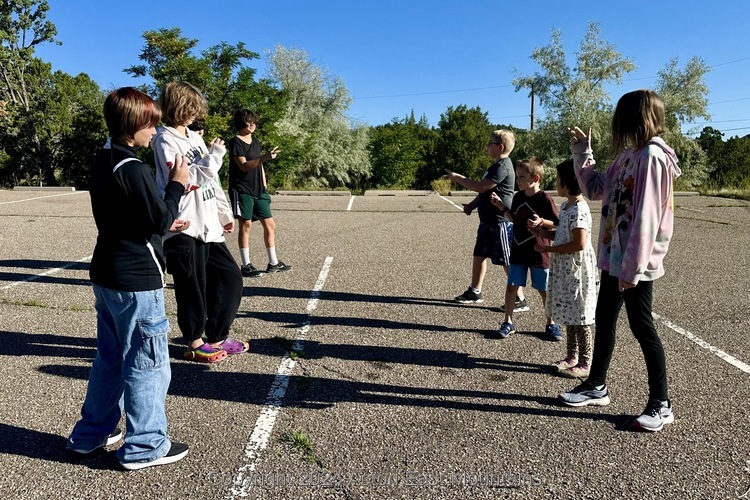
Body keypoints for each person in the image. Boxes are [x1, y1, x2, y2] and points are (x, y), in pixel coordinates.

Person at [67, 87, 190, 469]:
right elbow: (159, 217)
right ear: (132, 124)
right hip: (136, 279)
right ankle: (145, 445)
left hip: (107, 272)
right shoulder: (132, 167)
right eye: (150, 125)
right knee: (147, 362)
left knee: (110, 359)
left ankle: (90, 434)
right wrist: (177, 183)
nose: (154, 133)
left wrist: (157, 221)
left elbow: (130, 216)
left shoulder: (102, 159)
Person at [558, 89, 681, 432]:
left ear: (636, 117)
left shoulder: (653, 157)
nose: (618, 123)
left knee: (642, 326)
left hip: (633, 262)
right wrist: (583, 152)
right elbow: (596, 188)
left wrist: (633, 268)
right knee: (605, 317)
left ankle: (661, 404)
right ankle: (597, 385)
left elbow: (648, 216)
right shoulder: (630, 155)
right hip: (616, 256)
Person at [152, 81, 247, 363]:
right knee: (191, 285)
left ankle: (217, 334)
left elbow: (211, 182)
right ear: (178, 107)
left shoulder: (194, 137)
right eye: (191, 108)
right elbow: (185, 179)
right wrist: (215, 156)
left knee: (230, 277)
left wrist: (223, 213)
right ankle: (194, 341)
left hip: (208, 224)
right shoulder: (164, 139)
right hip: (184, 224)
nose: (195, 114)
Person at [446, 129, 527, 311]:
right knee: (479, 255)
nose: (486, 147)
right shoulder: (495, 166)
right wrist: (472, 205)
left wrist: (459, 178)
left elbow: (482, 187)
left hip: (500, 222)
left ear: (500, 147)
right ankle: (475, 291)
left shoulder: (503, 167)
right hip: (488, 222)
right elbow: (486, 192)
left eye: (490, 144)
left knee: (507, 260)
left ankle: (520, 299)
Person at [530, 159, 597, 377]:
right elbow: (561, 234)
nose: (556, 184)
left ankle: (586, 362)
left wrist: (549, 250)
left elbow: (579, 243)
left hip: (577, 270)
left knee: (580, 317)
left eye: (558, 180)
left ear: (567, 184)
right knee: (570, 314)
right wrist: (543, 235)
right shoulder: (567, 206)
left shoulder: (579, 209)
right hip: (566, 270)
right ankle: (572, 357)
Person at [490, 157, 560, 340]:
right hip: (518, 250)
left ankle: (551, 323)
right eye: (518, 176)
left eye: (521, 177)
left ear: (535, 178)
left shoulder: (545, 199)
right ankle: (508, 322)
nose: (518, 180)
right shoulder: (518, 197)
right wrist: (501, 206)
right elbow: (515, 218)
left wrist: (542, 222)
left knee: (544, 289)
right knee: (512, 286)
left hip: (539, 251)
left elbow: (558, 224)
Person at [227, 109, 291, 278]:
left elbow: (259, 165)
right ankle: (246, 265)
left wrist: (264, 184)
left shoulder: (256, 141)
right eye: (248, 122)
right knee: (246, 225)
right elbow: (244, 165)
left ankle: (273, 263)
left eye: (254, 122)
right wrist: (265, 157)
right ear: (241, 123)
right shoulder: (235, 142)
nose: (252, 125)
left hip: (259, 190)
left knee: (270, 224)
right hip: (242, 190)